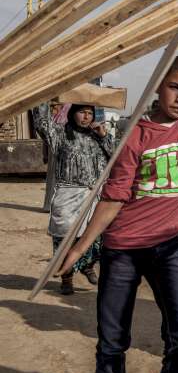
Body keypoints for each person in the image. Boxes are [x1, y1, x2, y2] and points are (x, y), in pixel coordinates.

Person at [57, 0, 178, 373]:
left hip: (170, 248)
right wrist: (79, 249)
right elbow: (114, 199)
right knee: (112, 342)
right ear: (159, 86)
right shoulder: (134, 135)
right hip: (124, 249)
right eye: (175, 88)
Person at [33, 101, 113, 295]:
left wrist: (104, 137)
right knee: (65, 239)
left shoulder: (98, 137)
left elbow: (118, 156)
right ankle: (66, 277)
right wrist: (43, 97)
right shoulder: (60, 135)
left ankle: (87, 266)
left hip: (95, 195)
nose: (86, 117)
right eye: (82, 112)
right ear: (72, 114)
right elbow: (42, 123)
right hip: (69, 196)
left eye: (89, 113)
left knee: (97, 237)